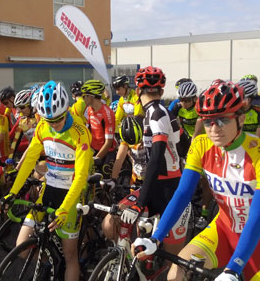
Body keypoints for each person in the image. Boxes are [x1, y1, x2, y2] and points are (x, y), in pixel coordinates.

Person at [133, 81, 260, 281]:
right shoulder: (201, 145)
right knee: (176, 273)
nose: (214, 129)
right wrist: (156, 237)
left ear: (241, 119)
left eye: (223, 120)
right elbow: (183, 194)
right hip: (223, 231)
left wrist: (234, 268)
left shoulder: (256, 153)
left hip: (256, 238)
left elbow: (257, 215)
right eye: (208, 122)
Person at [0, 81, 92, 281]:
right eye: (50, 120)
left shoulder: (80, 131)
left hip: (71, 194)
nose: (54, 125)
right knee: (22, 246)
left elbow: (81, 176)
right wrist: (12, 193)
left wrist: (66, 208)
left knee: (70, 257)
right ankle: (50, 261)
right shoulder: (42, 126)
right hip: (48, 189)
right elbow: (29, 160)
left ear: (66, 110)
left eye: (58, 119)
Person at [108, 66, 189, 255]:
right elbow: (183, 146)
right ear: (162, 91)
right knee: (113, 220)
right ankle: (129, 264)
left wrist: (139, 202)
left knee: (172, 260)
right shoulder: (161, 114)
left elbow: (156, 160)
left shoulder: (157, 114)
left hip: (169, 191)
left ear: (137, 92)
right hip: (160, 185)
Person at [82, 79, 116, 179]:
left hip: (107, 151)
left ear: (91, 96)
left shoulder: (107, 113)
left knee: (104, 179)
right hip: (94, 150)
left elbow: (108, 142)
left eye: (84, 96)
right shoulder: (89, 109)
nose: (82, 99)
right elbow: (88, 131)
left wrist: (97, 158)